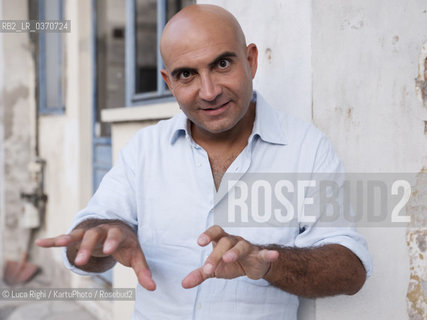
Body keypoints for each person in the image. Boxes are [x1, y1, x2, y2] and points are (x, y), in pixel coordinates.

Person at [36, 4, 372, 319]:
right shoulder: (145, 148)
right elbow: (81, 246)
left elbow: (350, 270)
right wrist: (104, 239)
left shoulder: (306, 148)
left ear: (251, 60)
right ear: (169, 83)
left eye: (222, 64)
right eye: (187, 75)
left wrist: (266, 262)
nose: (209, 91)